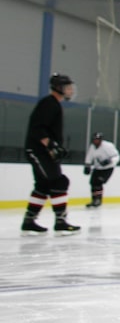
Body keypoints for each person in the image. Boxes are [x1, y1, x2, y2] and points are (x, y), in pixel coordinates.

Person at [20, 73, 80, 233]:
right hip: (38, 151)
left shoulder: (53, 104)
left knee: (43, 185)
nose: (71, 91)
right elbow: (38, 128)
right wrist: (52, 145)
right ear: (59, 88)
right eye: (68, 88)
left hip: (42, 152)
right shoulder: (49, 104)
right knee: (59, 182)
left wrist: (54, 147)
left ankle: (29, 220)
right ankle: (60, 221)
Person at [83, 132, 120, 208]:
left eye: (97, 139)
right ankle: (94, 200)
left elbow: (117, 156)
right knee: (92, 182)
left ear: (101, 140)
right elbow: (89, 156)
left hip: (108, 168)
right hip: (98, 168)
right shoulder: (92, 147)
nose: (95, 141)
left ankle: (98, 200)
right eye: (94, 139)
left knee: (99, 182)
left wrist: (110, 161)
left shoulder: (108, 146)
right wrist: (87, 165)